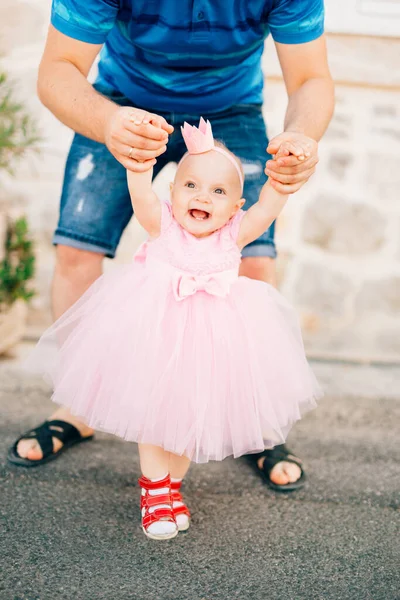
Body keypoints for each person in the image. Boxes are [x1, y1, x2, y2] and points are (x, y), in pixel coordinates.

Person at [8, 0, 334, 490]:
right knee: (77, 249)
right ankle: (78, 408)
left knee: (256, 265)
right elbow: (58, 70)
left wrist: (300, 138)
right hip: (119, 103)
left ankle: (253, 422)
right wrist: (107, 123)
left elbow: (311, 78)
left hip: (232, 108)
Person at [23, 117, 322, 540]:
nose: (203, 196)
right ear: (173, 193)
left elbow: (269, 205)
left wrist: (283, 174)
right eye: (191, 186)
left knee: (188, 420)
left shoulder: (235, 235)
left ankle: (171, 487)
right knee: (153, 415)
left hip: (210, 343)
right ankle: (153, 491)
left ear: (235, 207)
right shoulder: (162, 225)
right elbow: (140, 193)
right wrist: (138, 164)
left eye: (219, 192)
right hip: (157, 336)